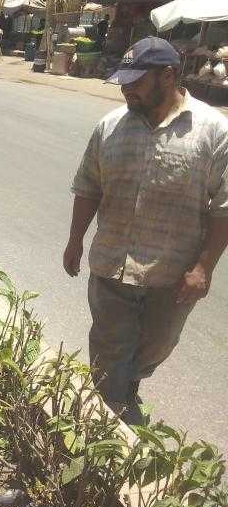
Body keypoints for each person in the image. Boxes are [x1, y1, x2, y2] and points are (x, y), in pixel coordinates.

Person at [63, 37, 228, 424]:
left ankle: (125, 388)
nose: (126, 89)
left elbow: (224, 208)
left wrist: (204, 266)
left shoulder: (213, 132)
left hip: (171, 276)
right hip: (111, 265)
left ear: (167, 75)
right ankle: (108, 424)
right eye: (124, 82)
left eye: (136, 82)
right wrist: (75, 239)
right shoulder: (110, 125)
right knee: (108, 351)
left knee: (155, 347)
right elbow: (88, 185)